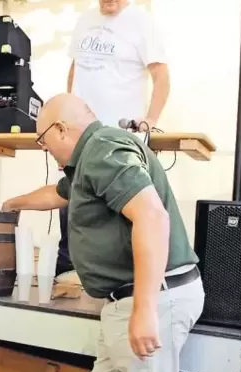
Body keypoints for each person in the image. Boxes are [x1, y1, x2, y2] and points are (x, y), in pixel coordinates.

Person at [2, 93, 204, 372]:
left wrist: (145, 310)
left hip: (150, 299)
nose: (45, 148)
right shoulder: (86, 162)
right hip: (122, 303)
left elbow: (152, 216)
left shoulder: (103, 150)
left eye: (43, 140)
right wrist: (12, 204)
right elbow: (58, 194)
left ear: (60, 129)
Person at [56, 0, 170, 278]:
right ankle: (68, 267)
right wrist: (67, 112)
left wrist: (151, 119)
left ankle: (124, 275)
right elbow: (75, 68)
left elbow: (161, 76)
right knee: (72, 194)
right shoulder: (84, 19)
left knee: (121, 204)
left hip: (120, 135)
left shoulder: (142, 22)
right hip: (80, 132)